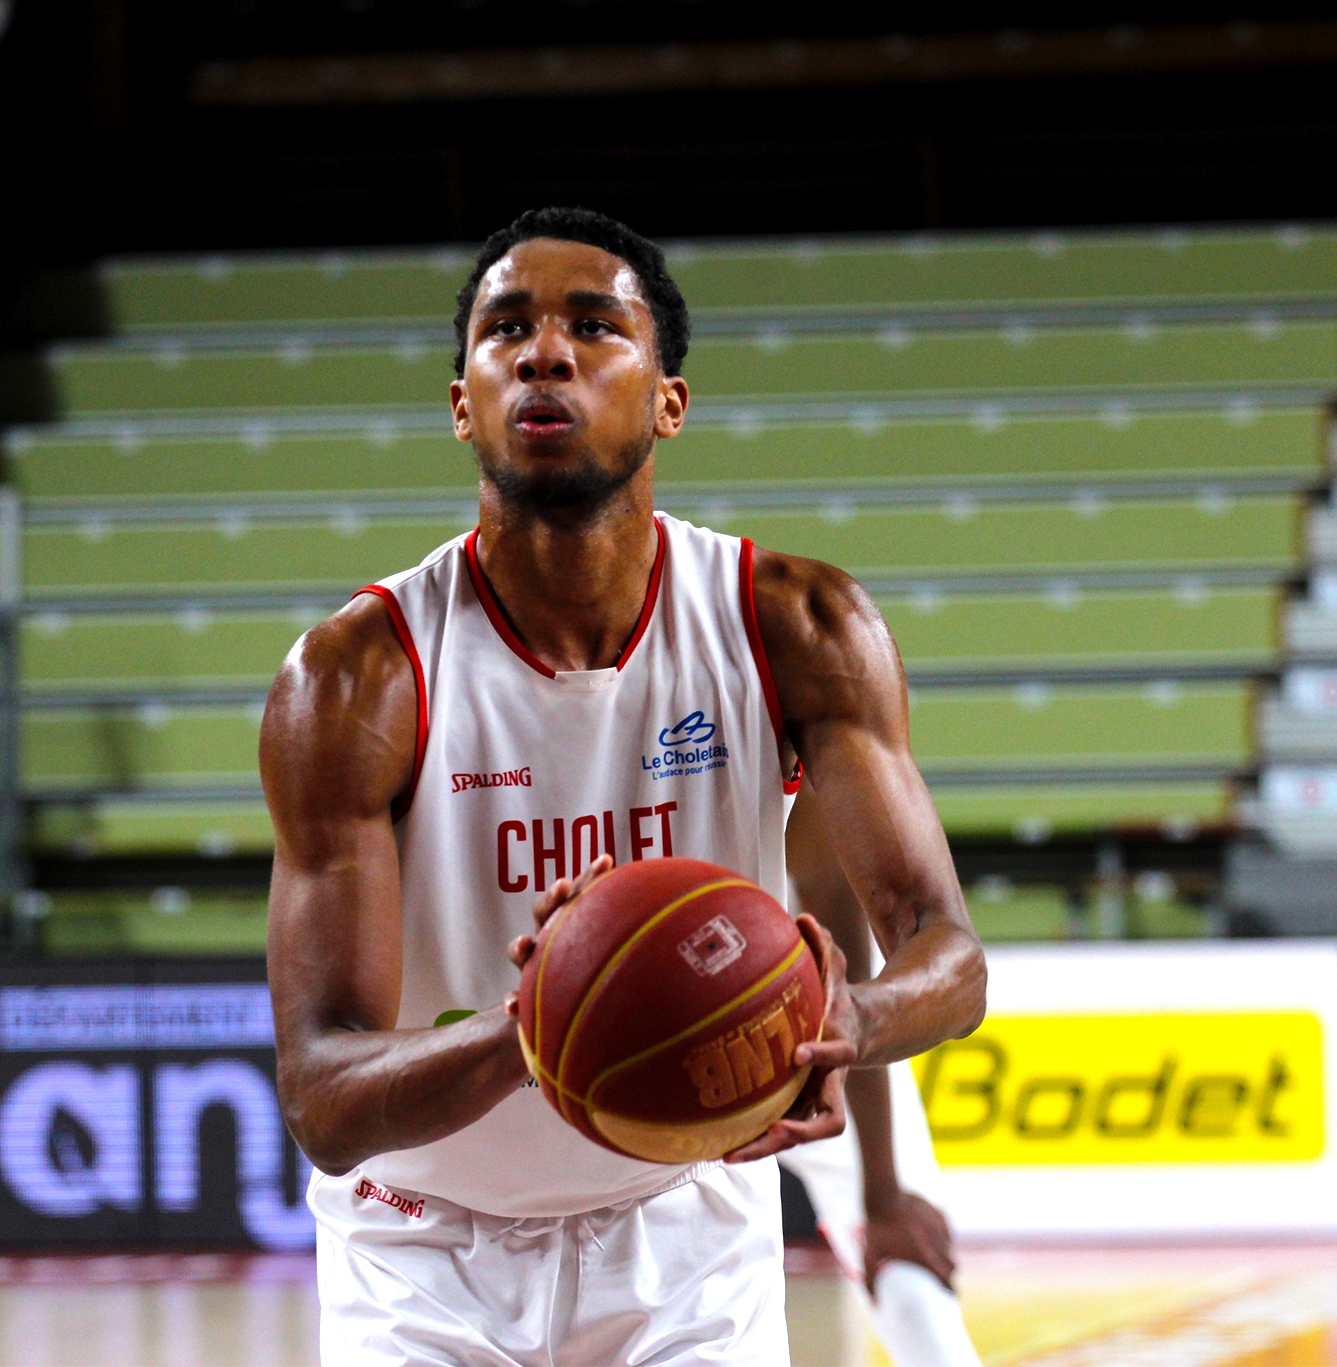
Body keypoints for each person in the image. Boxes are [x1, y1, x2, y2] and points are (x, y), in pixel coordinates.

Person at [262, 206, 985, 1365]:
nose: (544, 352)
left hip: (684, 1231)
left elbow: (947, 954)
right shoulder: (356, 680)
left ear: (668, 400)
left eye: (594, 326)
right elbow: (323, 1099)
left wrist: (851, 1022)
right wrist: (538, 1029)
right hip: (420, 1252)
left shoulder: (796, 625)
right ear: (463, 404)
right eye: (507, 331)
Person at [780, 790, 984, 1367]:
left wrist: (885, 1196)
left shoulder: (799, 739)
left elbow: (847, 982)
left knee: (910, 1264)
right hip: (643, 1024)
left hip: (794, 1023)